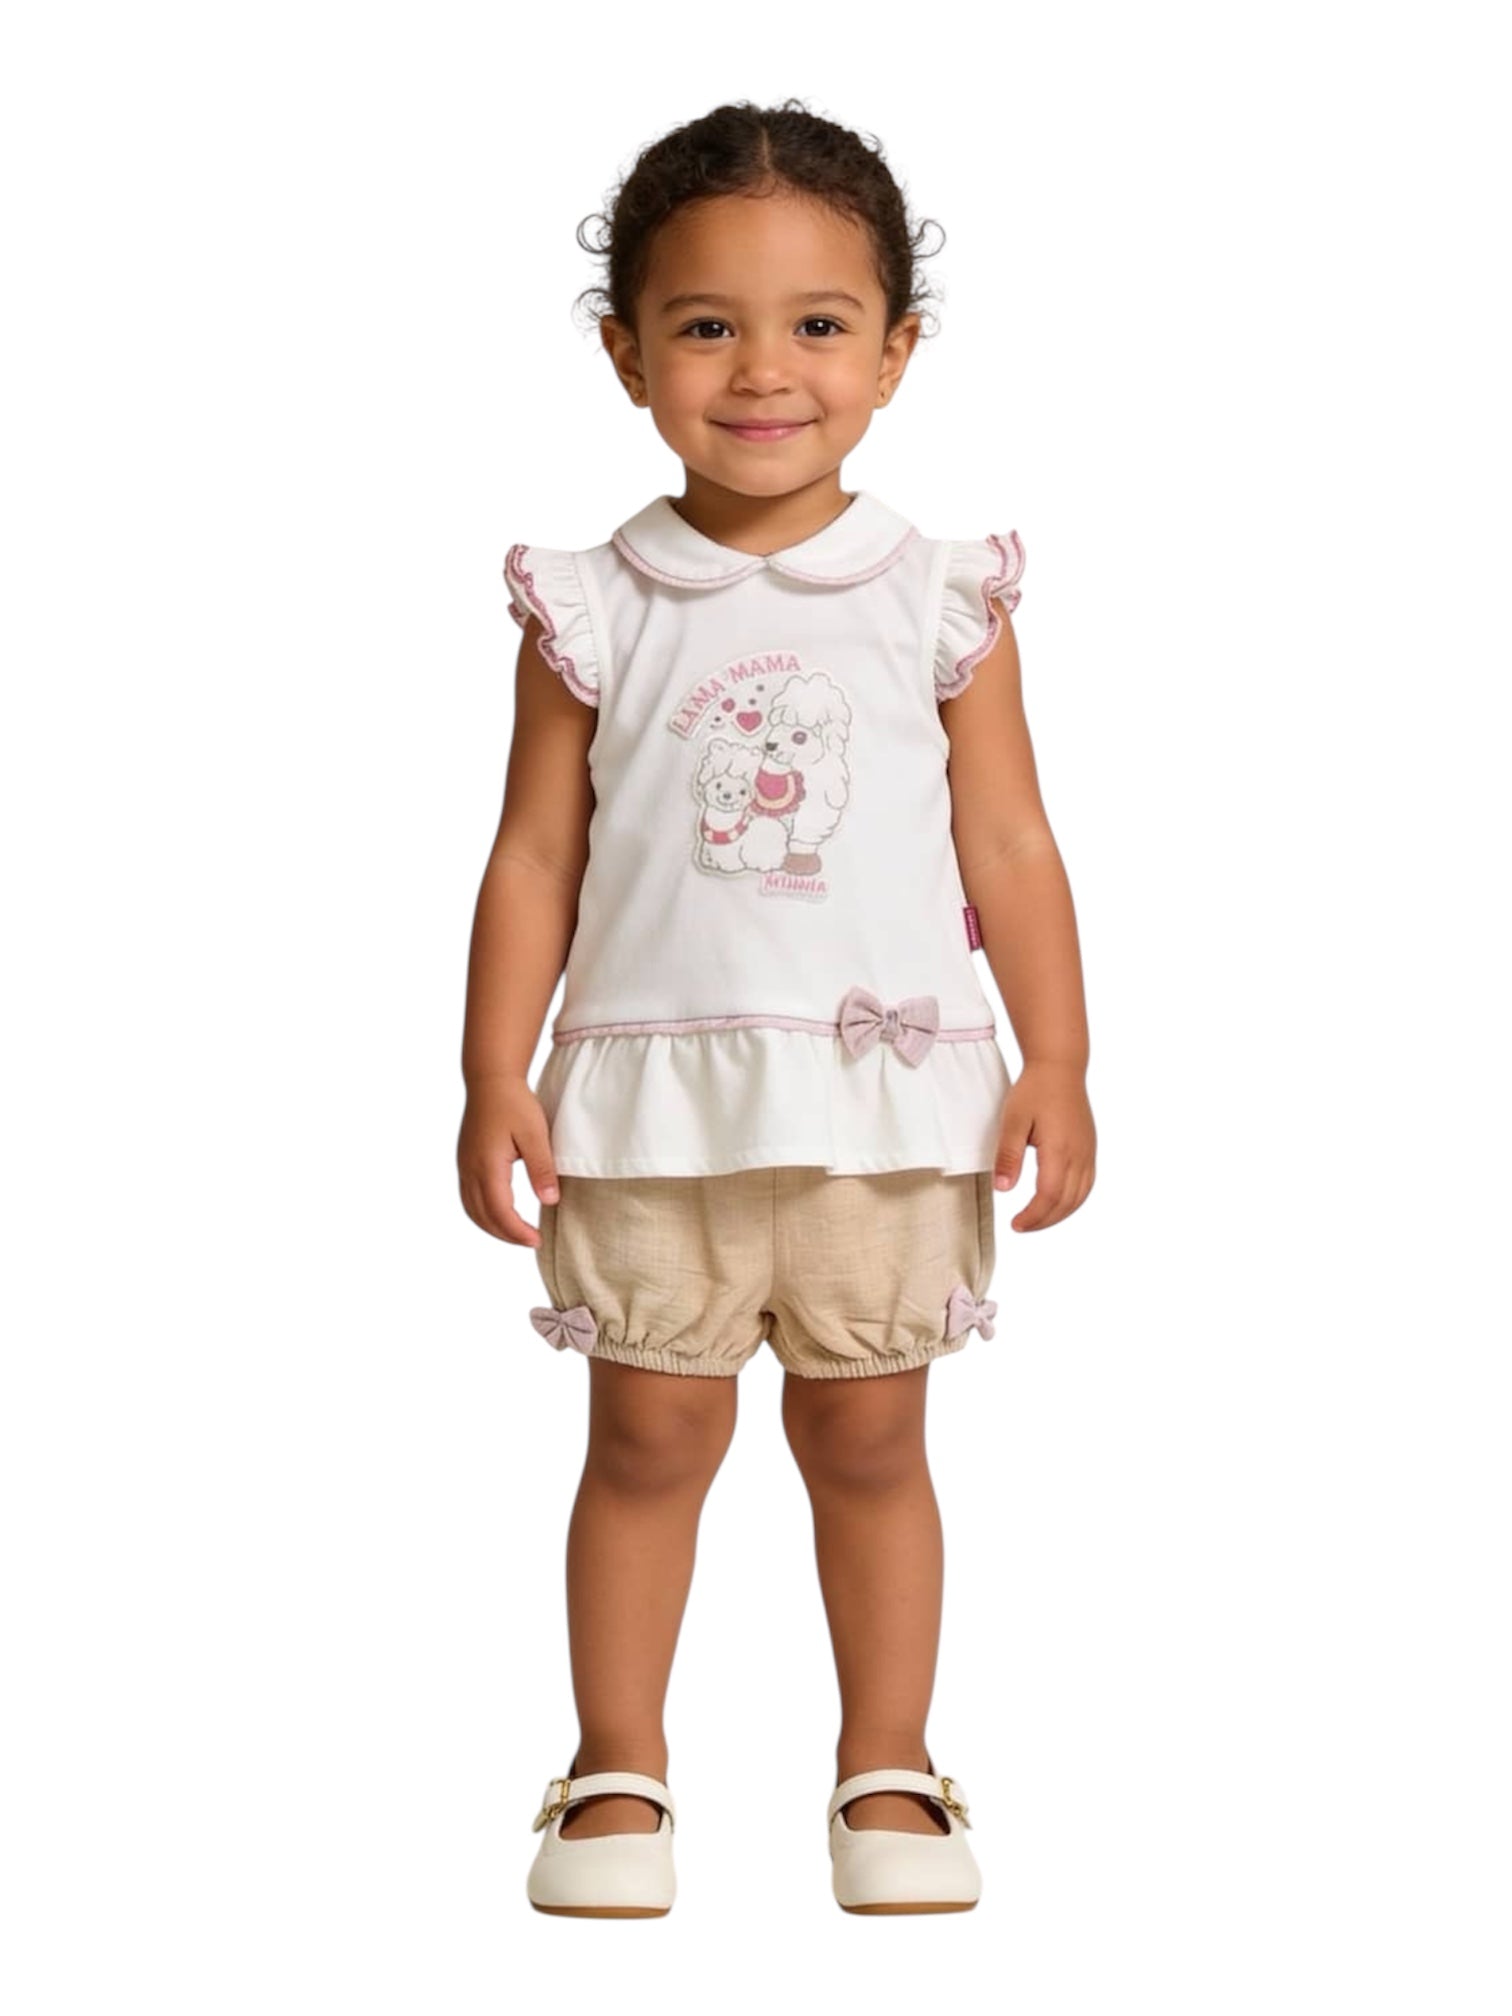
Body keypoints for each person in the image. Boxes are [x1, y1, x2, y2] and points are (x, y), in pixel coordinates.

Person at [458, 98, 1096, 1918]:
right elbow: (533, 855)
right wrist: (493, 1071)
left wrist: (1057, 1053)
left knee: (872, 1436)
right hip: (653, 1107)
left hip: (884, 1110)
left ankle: (888, 1766)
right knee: (647, 1437)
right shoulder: (595, 605)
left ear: (894, 352)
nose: (763, 369)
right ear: (627, 354)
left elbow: (1011, 840)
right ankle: (617, 1771)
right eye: (706, 325)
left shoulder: (937, 597)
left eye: (819, 322)